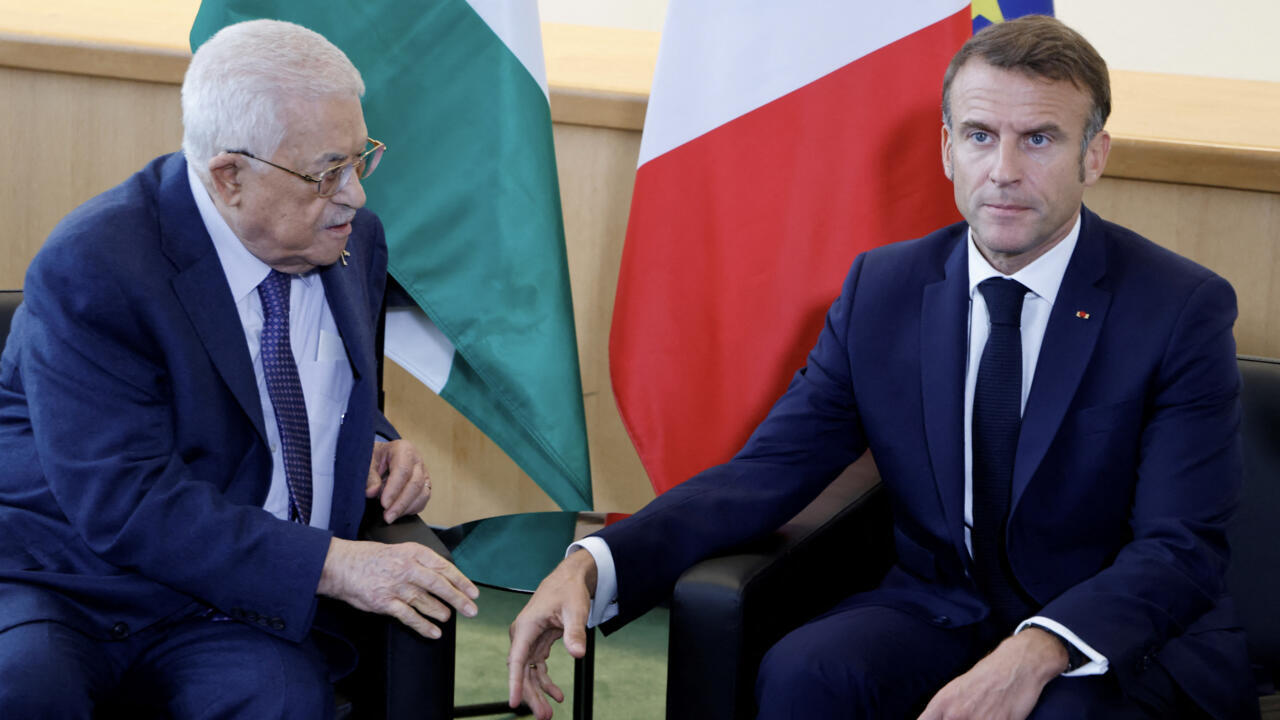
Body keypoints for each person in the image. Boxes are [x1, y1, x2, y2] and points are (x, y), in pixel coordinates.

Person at [508, 16, 1256, 720]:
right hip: (944, 606)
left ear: (1093, 156)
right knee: (807, 672)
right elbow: (767, 472)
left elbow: (1180, 548)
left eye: (1038, 140)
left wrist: (1040, 649)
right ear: (947, 149)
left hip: (1113, 634)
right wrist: (594, 563)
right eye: (980, 135)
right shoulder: (884, 289)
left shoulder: (1178, 308)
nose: (1003, 171)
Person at [0, 19, 478, 718]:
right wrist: (332, 564)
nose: (355, 195)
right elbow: (125, 498)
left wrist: (373, 440)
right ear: (229, 177)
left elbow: (298, 380)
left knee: (282, 702)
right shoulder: (97, 265)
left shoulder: (350, 241)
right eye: (327, 172)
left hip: (227, 601)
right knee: (24, 690)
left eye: (361, 159)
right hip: (70, 582)